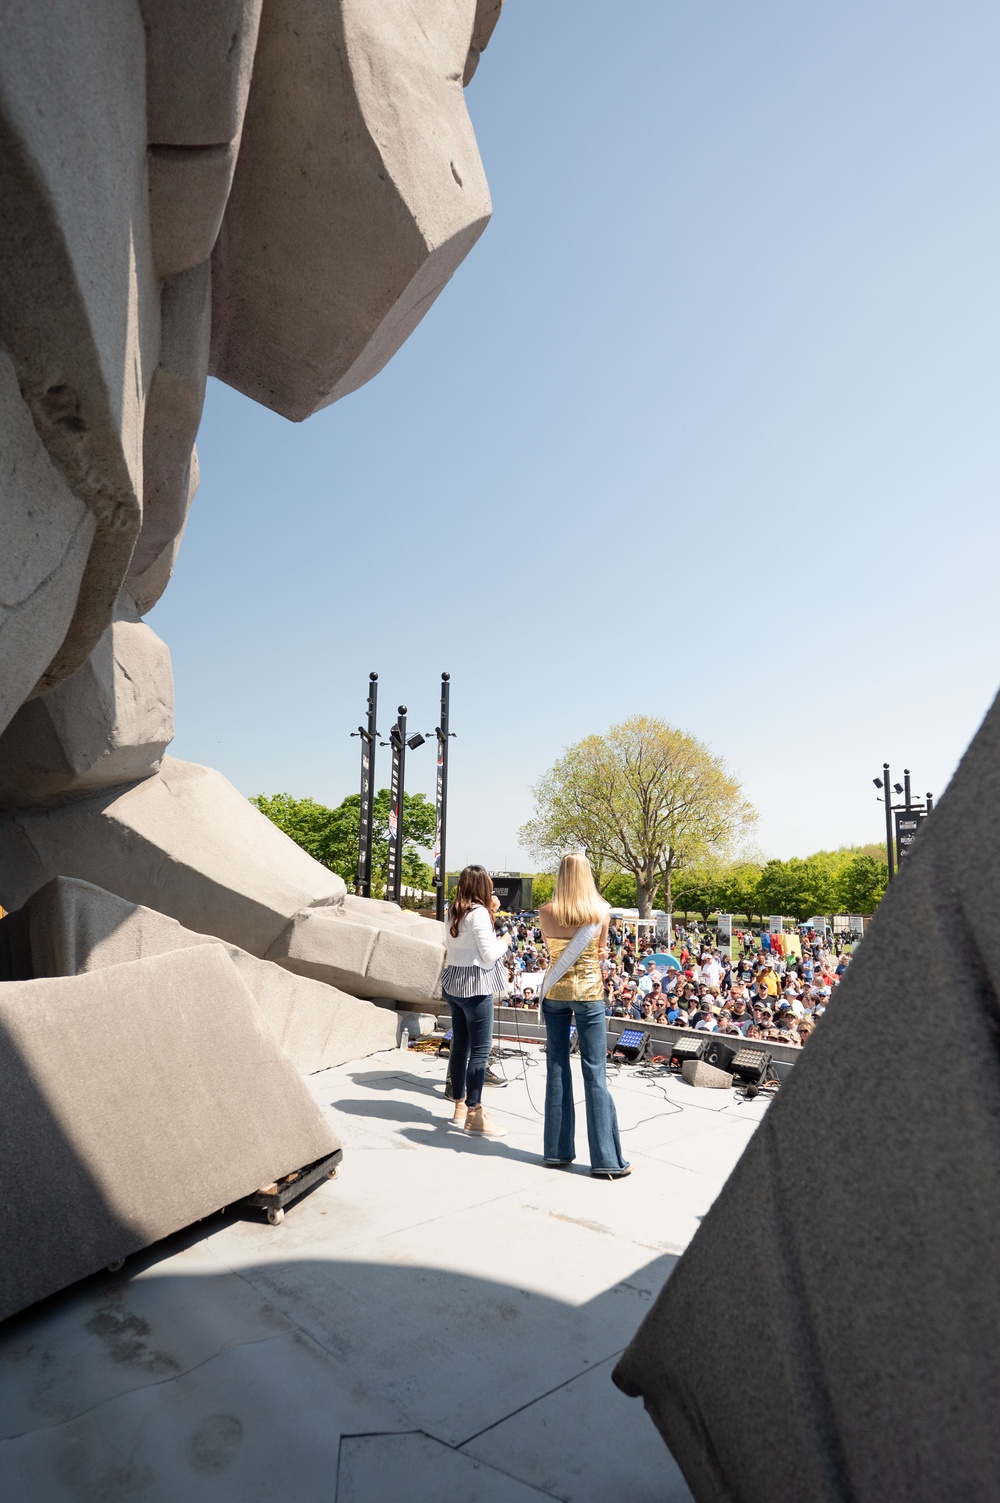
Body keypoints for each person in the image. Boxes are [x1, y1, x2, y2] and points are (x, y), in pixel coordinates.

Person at [539, 852, 630, 1179]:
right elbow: (601, 951)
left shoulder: (545, 912)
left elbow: (551, 949)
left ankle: (556, 1151)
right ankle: (606, 1159)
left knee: (557, 1067)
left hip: (556, 994)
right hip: (589, 995)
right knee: (595, 1071)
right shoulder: (601, 912)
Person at [440, 865, 511, 1137]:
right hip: (475, 986)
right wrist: (504, 939)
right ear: (482, 888)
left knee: (460, 1047)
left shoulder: (452, 911)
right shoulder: (478, 913)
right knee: (480, 1050)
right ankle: (475, 1112)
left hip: (454, 983)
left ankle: (459, 1104)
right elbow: (489, 954)